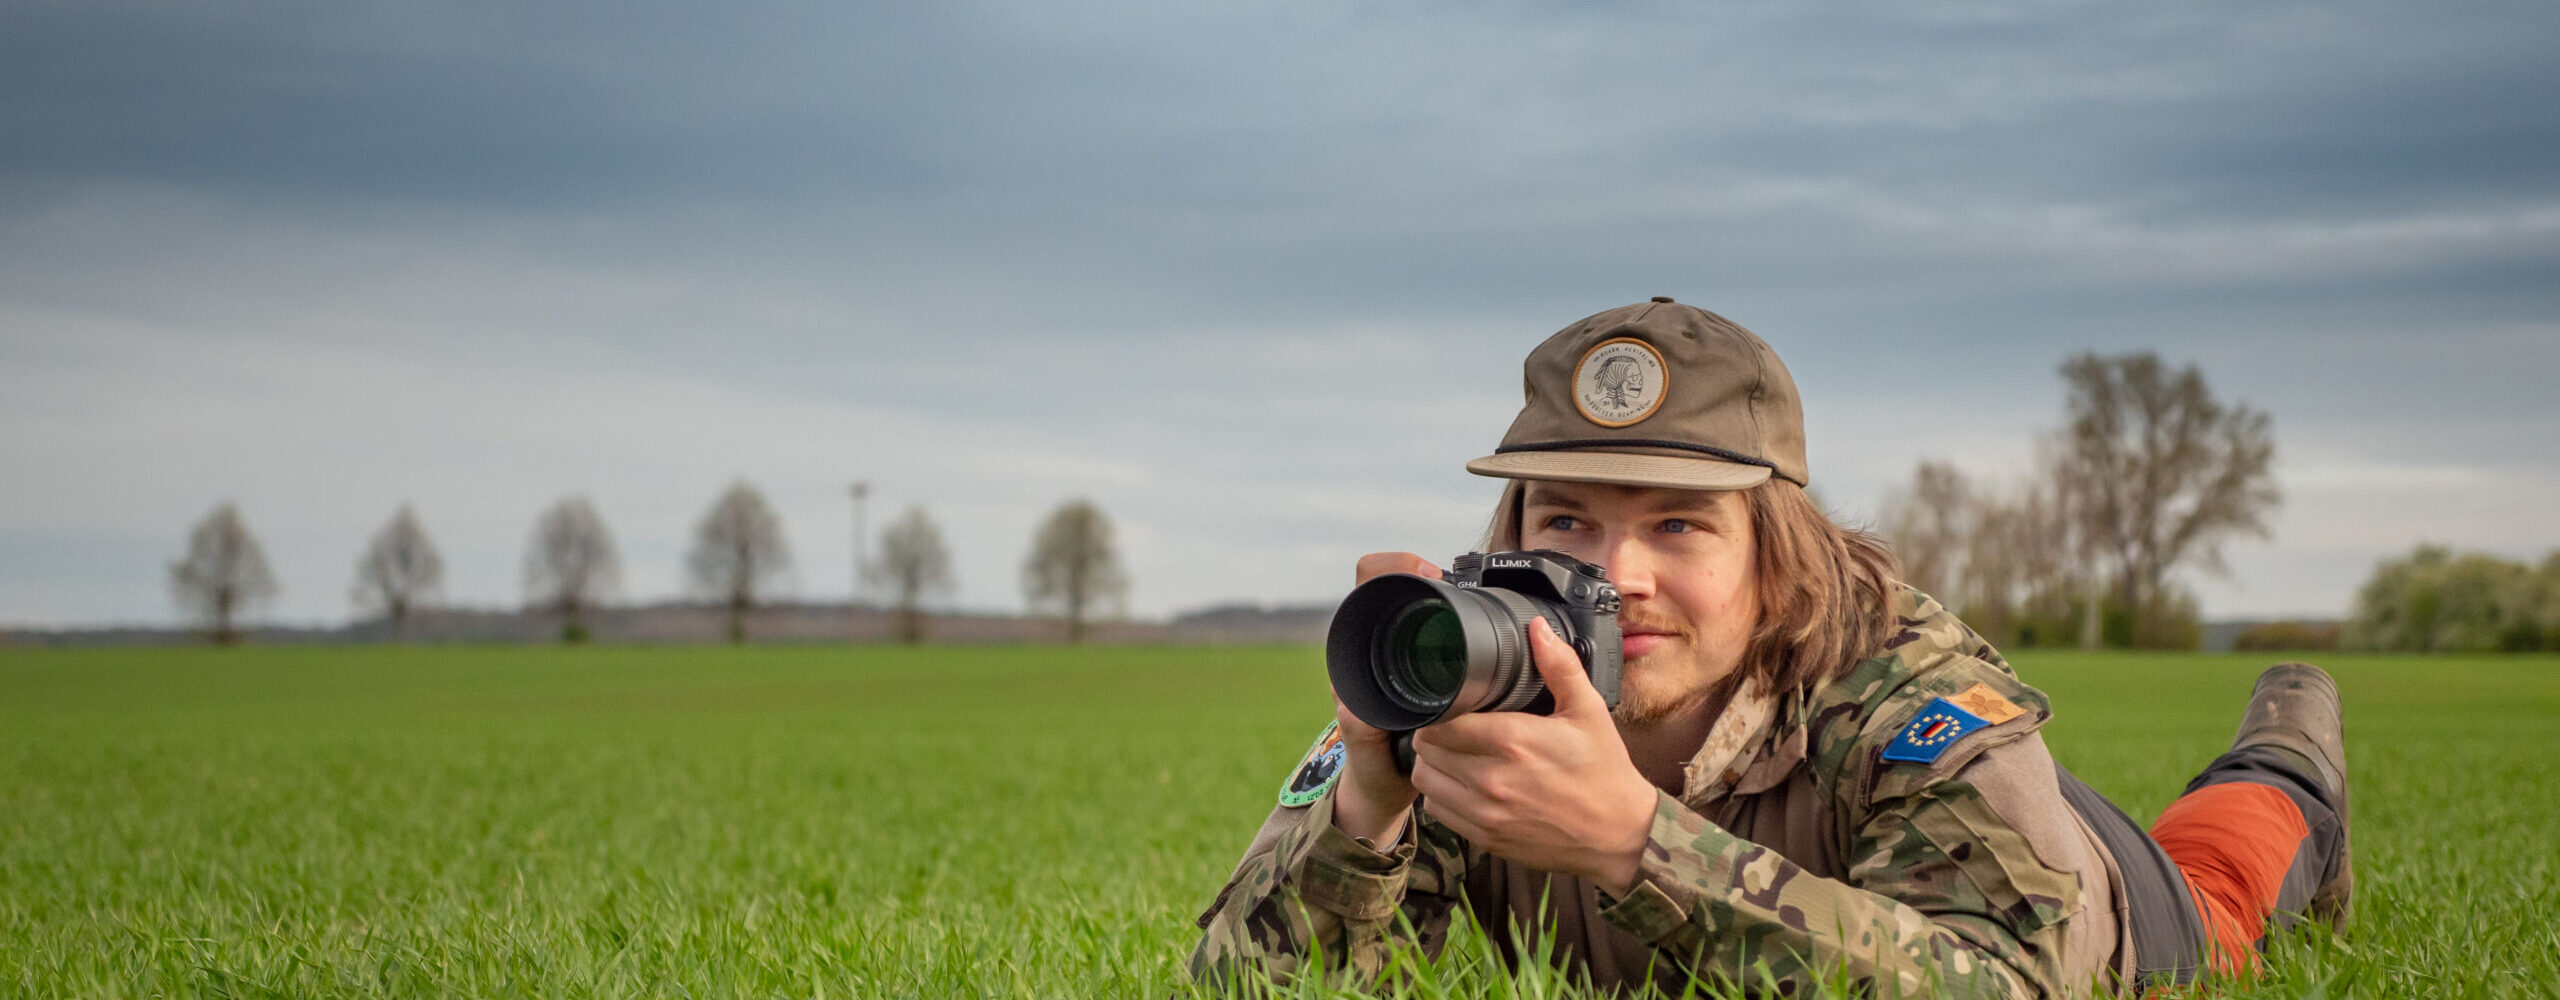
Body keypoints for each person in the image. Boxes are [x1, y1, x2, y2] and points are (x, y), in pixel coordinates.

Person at [1184, 298, 2351, 997]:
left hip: (2096, 898)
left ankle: (2293, 742)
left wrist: (1633, 844)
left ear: (1771, 546)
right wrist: (1370, 810)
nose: (1615, 573)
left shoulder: (1909, 694)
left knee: (2229, 869)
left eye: (1678, 523)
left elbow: (2006, 983)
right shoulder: (1473, 667)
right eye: (1567, 518)